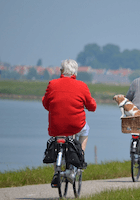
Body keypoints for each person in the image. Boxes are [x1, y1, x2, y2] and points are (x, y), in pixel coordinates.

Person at [42, 59, 97, 187]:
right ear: (75, 73)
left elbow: (46, 104)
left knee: (58, 140)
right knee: (86, 131)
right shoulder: (82, 86)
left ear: (61, 71)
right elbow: (92, 106)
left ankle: (57, 171)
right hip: (76, 125)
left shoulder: (52, 84)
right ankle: (80, 156)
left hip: (56, 127)